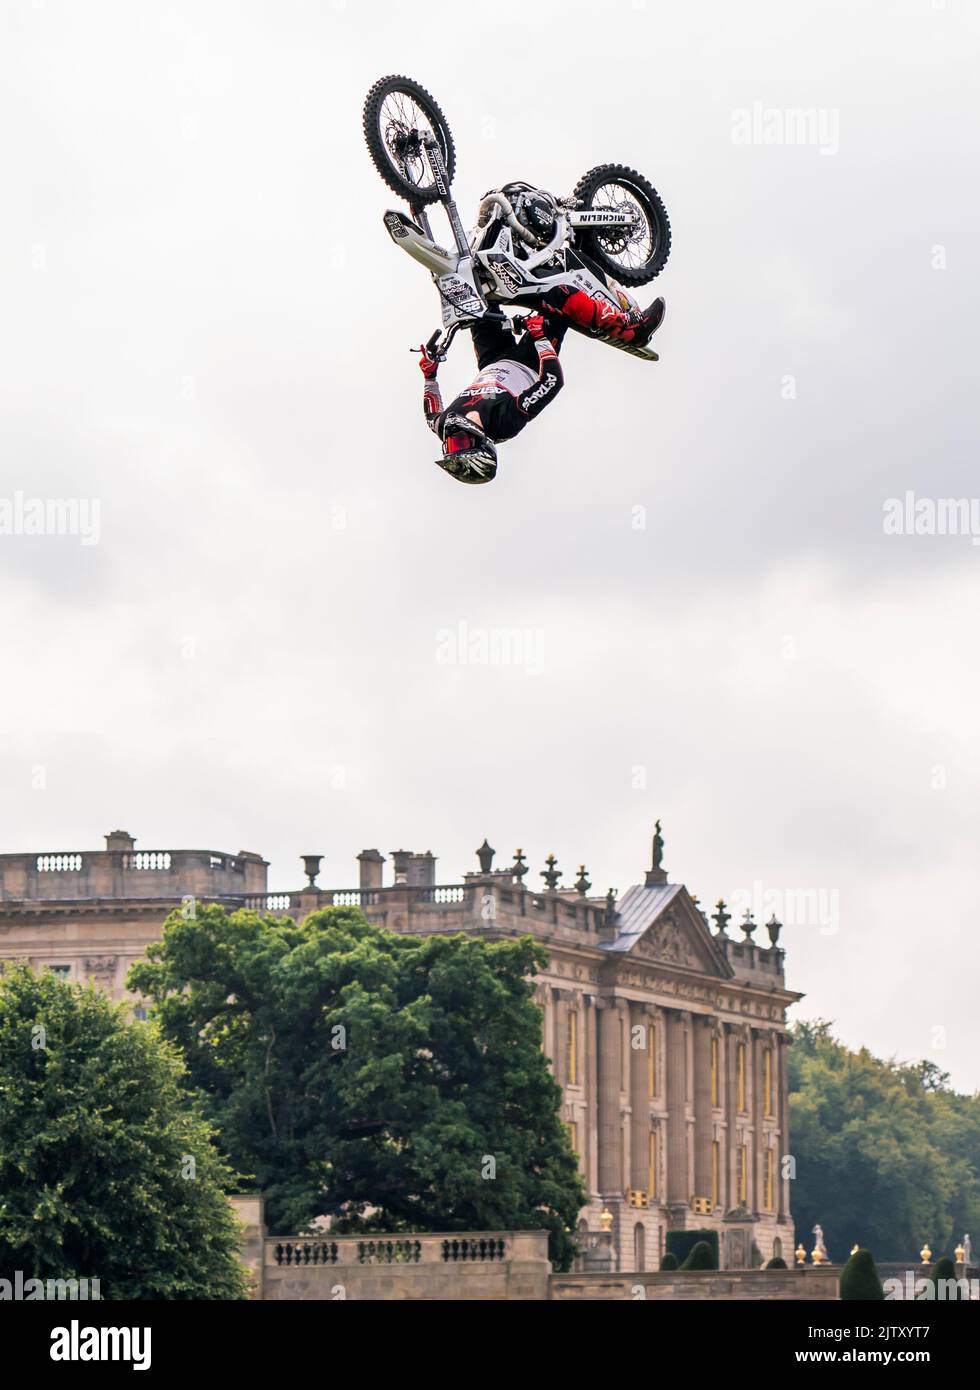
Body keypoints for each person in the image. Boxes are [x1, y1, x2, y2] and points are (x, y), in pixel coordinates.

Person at [420, 285, 665, 485]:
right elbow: (552, 382)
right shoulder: (504, 423)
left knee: (474, 295)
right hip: (532, 359)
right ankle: (633, 329)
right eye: (459, 443)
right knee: (560, 296)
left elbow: (431, 411)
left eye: (449, 446)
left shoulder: (443, 424)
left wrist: (429, 375)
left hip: (492, 358)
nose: (452, 437)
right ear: (480, 443)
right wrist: (539, 337)